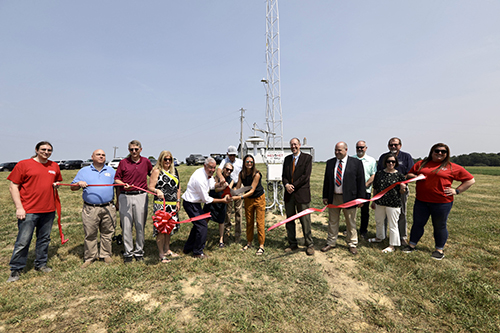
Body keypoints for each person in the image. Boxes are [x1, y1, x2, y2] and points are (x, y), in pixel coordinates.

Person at [402, 143, 475, 260]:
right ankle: (411, 245)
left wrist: (457, 191)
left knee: (439, 225)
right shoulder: (422, 163)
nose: (439, 153)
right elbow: (410, 174)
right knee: (418, 223)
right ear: (432, 152)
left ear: (447, 154)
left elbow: (470, 180)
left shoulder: (451, 167)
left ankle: (439, 250)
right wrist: (416, 176)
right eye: (437, 151)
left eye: (443, 152)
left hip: (442, 202)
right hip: (421, 201)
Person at [7, 141, 62, 282]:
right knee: (23, 241)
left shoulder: (54, 166)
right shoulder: (24, 164)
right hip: (29, 210)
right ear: (37, 150)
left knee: (44, 239)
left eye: (49, 150)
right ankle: (16, 269)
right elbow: (13, 186)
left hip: (49, 210)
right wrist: (19, 207)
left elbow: (56, 182)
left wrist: (56, 186)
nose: (46, 152)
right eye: (43, 149)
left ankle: (41, 264)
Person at [71, 149, 116, 268]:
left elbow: (118, 186)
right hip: (91, 208)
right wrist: (78, 184)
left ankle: (105, 254)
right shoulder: (84, 171)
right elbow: (72, 187)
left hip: (108, 207)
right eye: (98, 154)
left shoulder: (111, 171)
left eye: (103, 155)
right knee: (90, 233)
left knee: (107, 232)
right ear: (92, 156)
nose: (101, 157)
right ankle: (90, 257)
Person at [321, 142, 366, 255]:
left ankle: (352, 243)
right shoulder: (330, 163)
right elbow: (327, 181)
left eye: (339, 150)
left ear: (346, 150)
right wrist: (325, 196)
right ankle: (331, 242)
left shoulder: (356, 163)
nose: (337, 152)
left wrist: (361, 198)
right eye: (335, 150)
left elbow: (361, 181)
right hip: (334, 197)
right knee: (333, 221)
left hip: (349, 198)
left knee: (351, 221)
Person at [182, 158, 230, 259]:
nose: (212, 170)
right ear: (205, 166)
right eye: (210, 167)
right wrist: (223, 201)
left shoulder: (206, 174)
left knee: (197, 225)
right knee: (202, 225)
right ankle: (198, 252)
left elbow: (212, 185)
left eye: (214, 168)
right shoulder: (200, 178)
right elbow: (207, 199)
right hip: (191, 204)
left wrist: (220, 184)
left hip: (195, 203)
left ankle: (188, 248)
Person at [114, 140, 152, 263]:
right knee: (126, 225)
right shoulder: (123, 163)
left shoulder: (146, 162)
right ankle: (128, 253)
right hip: (125, 196)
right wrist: (123, 184)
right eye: (131, 149)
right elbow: (116, 179)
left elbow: (153, 175)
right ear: (128, 150)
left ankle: (139, 251)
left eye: (136, 149)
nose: (134, 152)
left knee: (140, 225)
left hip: (141, 196)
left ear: (141, 149)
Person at [377, 137, 414, 245]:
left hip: (400, 191)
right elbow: (379, 172)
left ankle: (402, 237)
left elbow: (410, 172)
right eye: (391, 145)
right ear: (388, 146)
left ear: (400, 146)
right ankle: (382, 236)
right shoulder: (383, 157)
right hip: (384, 191)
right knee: (383, 214)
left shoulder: (406, 157)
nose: (393, 146)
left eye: (395, 145)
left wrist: (400, 181)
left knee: (401, 213)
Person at [282, 137, 314, 256]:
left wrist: (292, 186)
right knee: (290, 220)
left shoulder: (307, 158)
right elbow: (284, 176)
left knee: (305, 221)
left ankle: (309, 244)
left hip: (302, 194)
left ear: (299, 145)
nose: (293, 147)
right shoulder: (287, 159)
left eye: (295, 144)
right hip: (289, 196)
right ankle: (292, 243)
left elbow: (305, 176)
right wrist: (286, 185)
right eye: (291, 145)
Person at [147, 150, 181, 263]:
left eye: (169, 159)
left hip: (172, 205)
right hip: (161, 205)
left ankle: (167, 249)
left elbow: (178, 187)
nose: (167, 161)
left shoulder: (174, 171)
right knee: (161, 230)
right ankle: (161, 254)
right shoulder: (157, 171)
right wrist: (157, 190)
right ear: (161, 160)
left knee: (169, 229)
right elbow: (150, 187)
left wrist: (178, 201)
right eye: (165, 159)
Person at [369, 154, 407, 253]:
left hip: (393, 204)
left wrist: (403, 188)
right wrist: (374, 201)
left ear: (396, 163)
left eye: (393, 162)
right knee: (379, 221)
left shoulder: (399, 175)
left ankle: (392, 245)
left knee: (393, 224)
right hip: (380, 202)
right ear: (385, 162)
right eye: (389, 161)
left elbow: (402, 192)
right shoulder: (379, 174)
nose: (391, 163)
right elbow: (376, 188)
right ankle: (379, 237)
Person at [231, 155, 266, 255]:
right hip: (248, 200)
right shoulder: (241, 174)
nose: (249, 164)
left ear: (253, 163)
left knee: (260, 222)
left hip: (259, 198)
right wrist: (231, 192)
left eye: (251, 162)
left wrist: (240, 197)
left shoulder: (257, 174)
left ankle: (261, 246)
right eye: (247, 162)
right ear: (244, 163)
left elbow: (252, 190)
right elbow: (238, 188)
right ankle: (249, 243)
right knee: (249, 221)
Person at [217, 145, 243, 243]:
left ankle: (238, 235)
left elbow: (242, 175)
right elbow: (219, 170)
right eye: (231, 155)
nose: (232, 157)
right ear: (227, 154)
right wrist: (222, 179)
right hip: (228, 187)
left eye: (234, 155)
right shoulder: (224, 161)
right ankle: (226, 233)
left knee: (238, 211)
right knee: (228, 211)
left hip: (238, 186)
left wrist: (237, 187)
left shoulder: (240, 162)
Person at [204, 162, 234, 248]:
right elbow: (216, 190)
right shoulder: (217, 177)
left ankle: (221, 241)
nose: (228, 171)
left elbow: (229, 191)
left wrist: (227, 195)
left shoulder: (231, 180)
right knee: (206, 219)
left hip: (222, 202)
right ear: (223, 169)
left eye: (230, 170)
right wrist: (224, 187)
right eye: (227, 169)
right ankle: (202, 236)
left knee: (221, 221)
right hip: (213, 200)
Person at [352, 140, 377, 239]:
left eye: (362, 147)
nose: (360, 149)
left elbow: (374, 174)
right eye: (358, 147)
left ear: (366, 148)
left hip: (366, 190)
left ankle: (363, 231)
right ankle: (351, 229)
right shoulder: (351, 159)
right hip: (353, 191)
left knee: (364, 212)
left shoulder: (371, 160)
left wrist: (365, 185)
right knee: (351, 212)